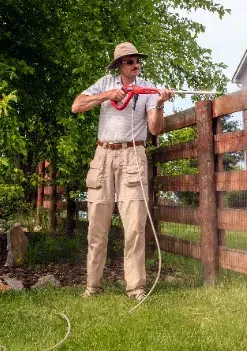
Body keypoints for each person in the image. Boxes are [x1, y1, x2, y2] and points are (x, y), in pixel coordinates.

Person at [71, 42, 173, 300]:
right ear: (119, 65)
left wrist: (160, 104)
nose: (135, 64)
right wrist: (107, 96)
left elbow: (155, 129)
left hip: (132, 155)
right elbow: (77, 105)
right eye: (129, 61)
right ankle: (93, 287)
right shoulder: (105, 83)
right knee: (97, 227)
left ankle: (136, 288)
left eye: (137, 60)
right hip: (103, 156)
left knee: (135, 227)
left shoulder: (149, 89)